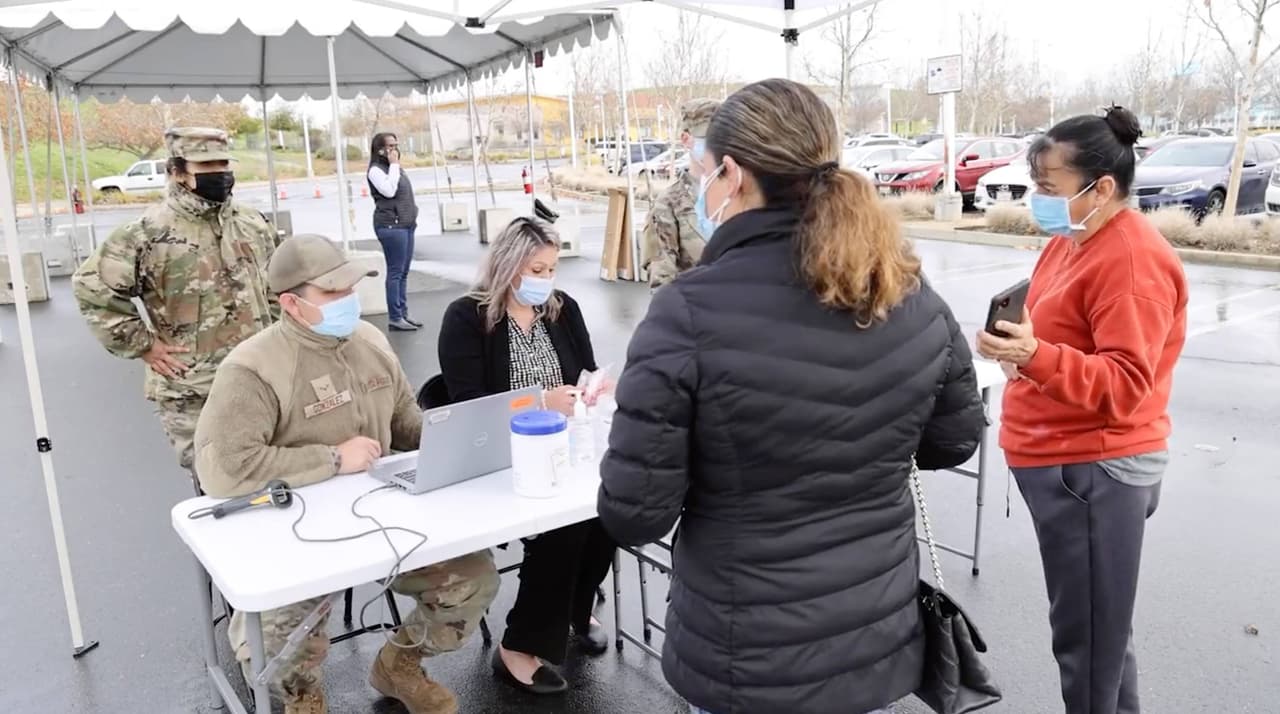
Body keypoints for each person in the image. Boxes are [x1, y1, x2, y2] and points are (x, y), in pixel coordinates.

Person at [597, 78, 986, 714]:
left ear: (731, 173)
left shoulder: (688, 314)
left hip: (747, 651)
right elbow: (952, 441)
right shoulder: (906, 291)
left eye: (706, 173)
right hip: (873, 633)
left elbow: (634, 515)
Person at [194, 234, 500, 714]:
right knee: (274, 641)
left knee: (472, 578)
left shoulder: (370, 342)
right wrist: (332, 459)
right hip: (295, 534)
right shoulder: (253, 368)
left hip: (379, 517)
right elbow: (225, 470)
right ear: (292, 303)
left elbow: (404, 424)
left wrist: (466, 433)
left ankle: (399, 665)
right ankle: (302, 696)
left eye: (351, 288)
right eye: (332, 294)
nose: (348, 301)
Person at [975, 106, 1188, 714]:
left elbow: (1124, 387)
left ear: (1101, 188)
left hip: (1095, 469)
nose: (1037, 198)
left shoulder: (1129, 260)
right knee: (1099, 635)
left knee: (1088, 643)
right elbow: (1059, 338)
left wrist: (1038, 356)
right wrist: (1016, 350)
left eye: (1049, 187)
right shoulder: (1072, 240)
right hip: (1066, 464)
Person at [437, 217, 616, 695]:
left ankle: (575, 611)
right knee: (569, 522)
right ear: (508, 265)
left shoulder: (562, 309)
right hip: (501, 453)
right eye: (536, 268)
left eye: (551, 269)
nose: (545, 279)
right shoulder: (467, 317)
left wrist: (591, 390)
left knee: (610, 508)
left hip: (564, 443)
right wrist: (539, 404)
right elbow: (469, 404)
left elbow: (582, 372)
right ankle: (519, 646)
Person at [72, 127, 277, 488]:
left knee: (276, 473)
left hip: (264, 379)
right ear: (177, 171)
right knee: (217, 484)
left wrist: (280, 337)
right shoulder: (147, 232)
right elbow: (92, 287)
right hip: (195, 389)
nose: (219, 173)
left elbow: (278, 284)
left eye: (224, 163)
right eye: (205, 165)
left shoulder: (252, 223)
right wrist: (143, 345)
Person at [640, 98, 719, 291]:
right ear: (686, 139)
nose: (717, 146)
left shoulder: (744, 193)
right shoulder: (668, 204)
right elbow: (662, 283)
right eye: (709, 138)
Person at [368, 132, 420, 332]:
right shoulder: (376, 170)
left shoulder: (393, 168)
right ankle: (395, 317)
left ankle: (403, 313)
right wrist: (395, 165)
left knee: (404, 272)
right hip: (391, 225)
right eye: (390, 146)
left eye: (396, 145)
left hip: (406, 224)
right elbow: (389, 191)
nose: (394, 150)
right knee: (395, 272)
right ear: (379, 149)